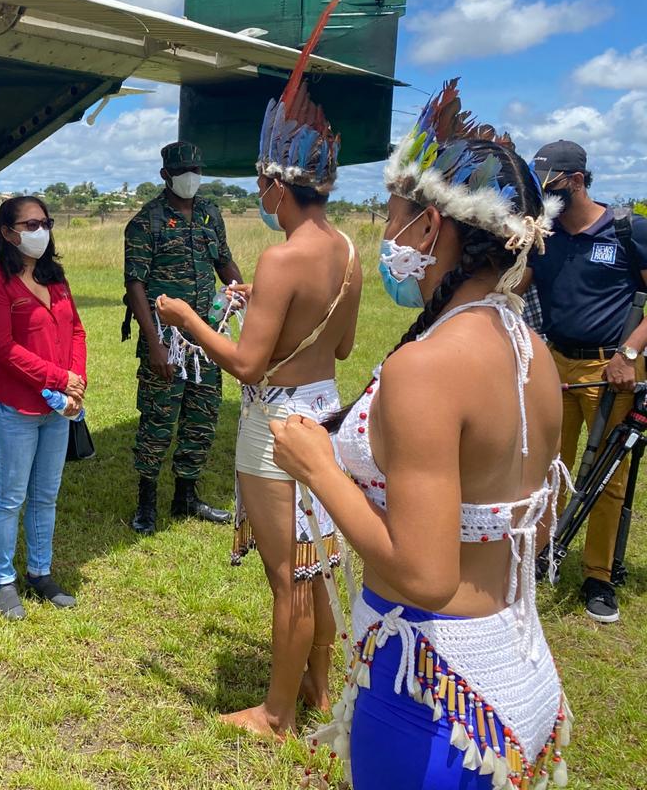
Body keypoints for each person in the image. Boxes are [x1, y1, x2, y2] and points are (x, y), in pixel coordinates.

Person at [271, 80, 572, 789]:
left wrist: (320, 468)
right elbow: (537, 517)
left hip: (434, 695)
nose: (385, 233)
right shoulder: (531, 352)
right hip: (514, 669)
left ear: (432, 228)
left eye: (392, 215)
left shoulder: (427, 367)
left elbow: (426, 577)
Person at [155, 55, 361, 737]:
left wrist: (185, 318)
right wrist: (265, 308)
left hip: (277, 424)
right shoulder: (349, 252)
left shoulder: (281, 258)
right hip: (326, 413)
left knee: (290, 575)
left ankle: (275, 713)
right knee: (320, 561)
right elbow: (339, 347)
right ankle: (320, 690)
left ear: (278, 183)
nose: (259, 196)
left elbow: (248, 365)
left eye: (261, 185)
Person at [527, 140, 647, 623]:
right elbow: (521, 281)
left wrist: (630, 354)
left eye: (551, 185)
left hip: (609, 370)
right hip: (553, 366)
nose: (545, 195)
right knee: (546, 467)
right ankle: (538, 555)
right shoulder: (545, 232)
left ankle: (598, 576)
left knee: (606, 481)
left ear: (576, 181)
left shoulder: (626, 229)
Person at [0, 196, 87, 620]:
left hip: (58, 409)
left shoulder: (54, 278)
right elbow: (2, 349)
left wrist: (76, 382)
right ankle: (4, 580)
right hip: (15, 408)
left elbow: (76, 330)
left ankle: (40, 573)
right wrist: (59, 379)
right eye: (30, 224)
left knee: (45, 495)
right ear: (7, 232)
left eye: (46, 222)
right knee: (10, 496)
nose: (40, 231)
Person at [123, 140, 241, 535]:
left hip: (206, 337)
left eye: (195, 169)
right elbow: (135, 285)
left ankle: (186, 497)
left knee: (201, 418)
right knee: (158, 419)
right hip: (166, 340)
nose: (191, 177)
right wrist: (154, 343)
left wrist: (242, 294)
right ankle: (147, 501)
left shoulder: (210, 214)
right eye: (183, 171)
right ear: (165, 175)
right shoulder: (146, 222)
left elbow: (225, 264)